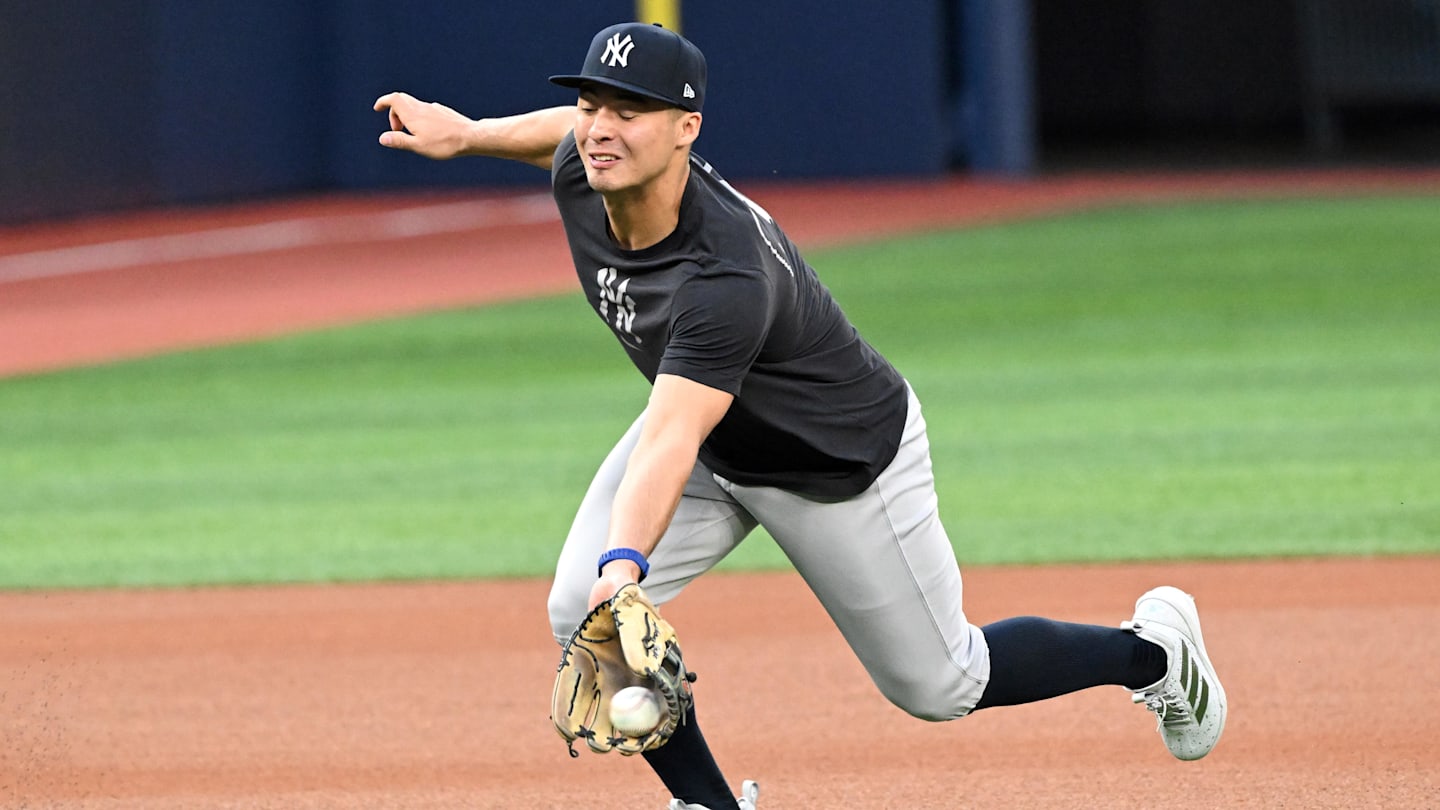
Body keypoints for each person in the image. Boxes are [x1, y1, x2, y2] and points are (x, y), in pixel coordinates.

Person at [374, 22, 1227, 810]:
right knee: (582, 614)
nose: (601, 127)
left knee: (941, 685)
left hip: (836, 463)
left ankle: (1152, 652)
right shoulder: (585, 164)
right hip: (719, 439)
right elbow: (561, 132)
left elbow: (670, 436)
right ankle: (707, 805)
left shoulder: (725, 276)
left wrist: (625, 563)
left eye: (631, 110)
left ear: (687, 129)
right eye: (595, 101)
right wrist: (467, 133)